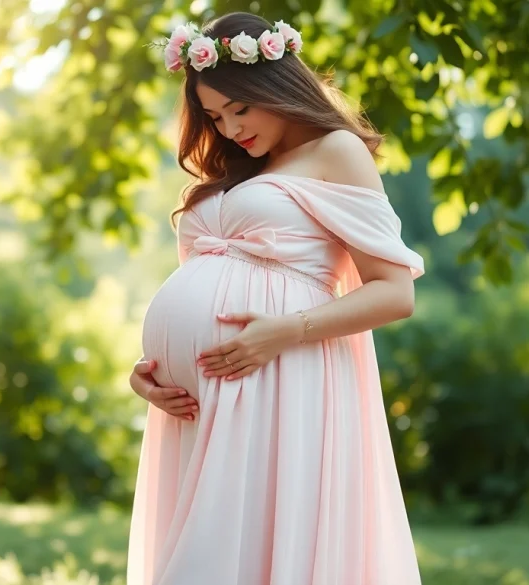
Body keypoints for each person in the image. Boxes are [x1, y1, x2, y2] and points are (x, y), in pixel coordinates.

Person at [126, 12, 425, 585]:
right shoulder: (238, 171)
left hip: (283, 375)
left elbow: (394, 294)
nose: (231, 127)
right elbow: (205, 283)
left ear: (277, 87)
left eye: (240, 109)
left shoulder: (335, 150)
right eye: (215, 116)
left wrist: (283, 331)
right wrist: (149, 369)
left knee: (242, 550)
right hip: (201, 399)